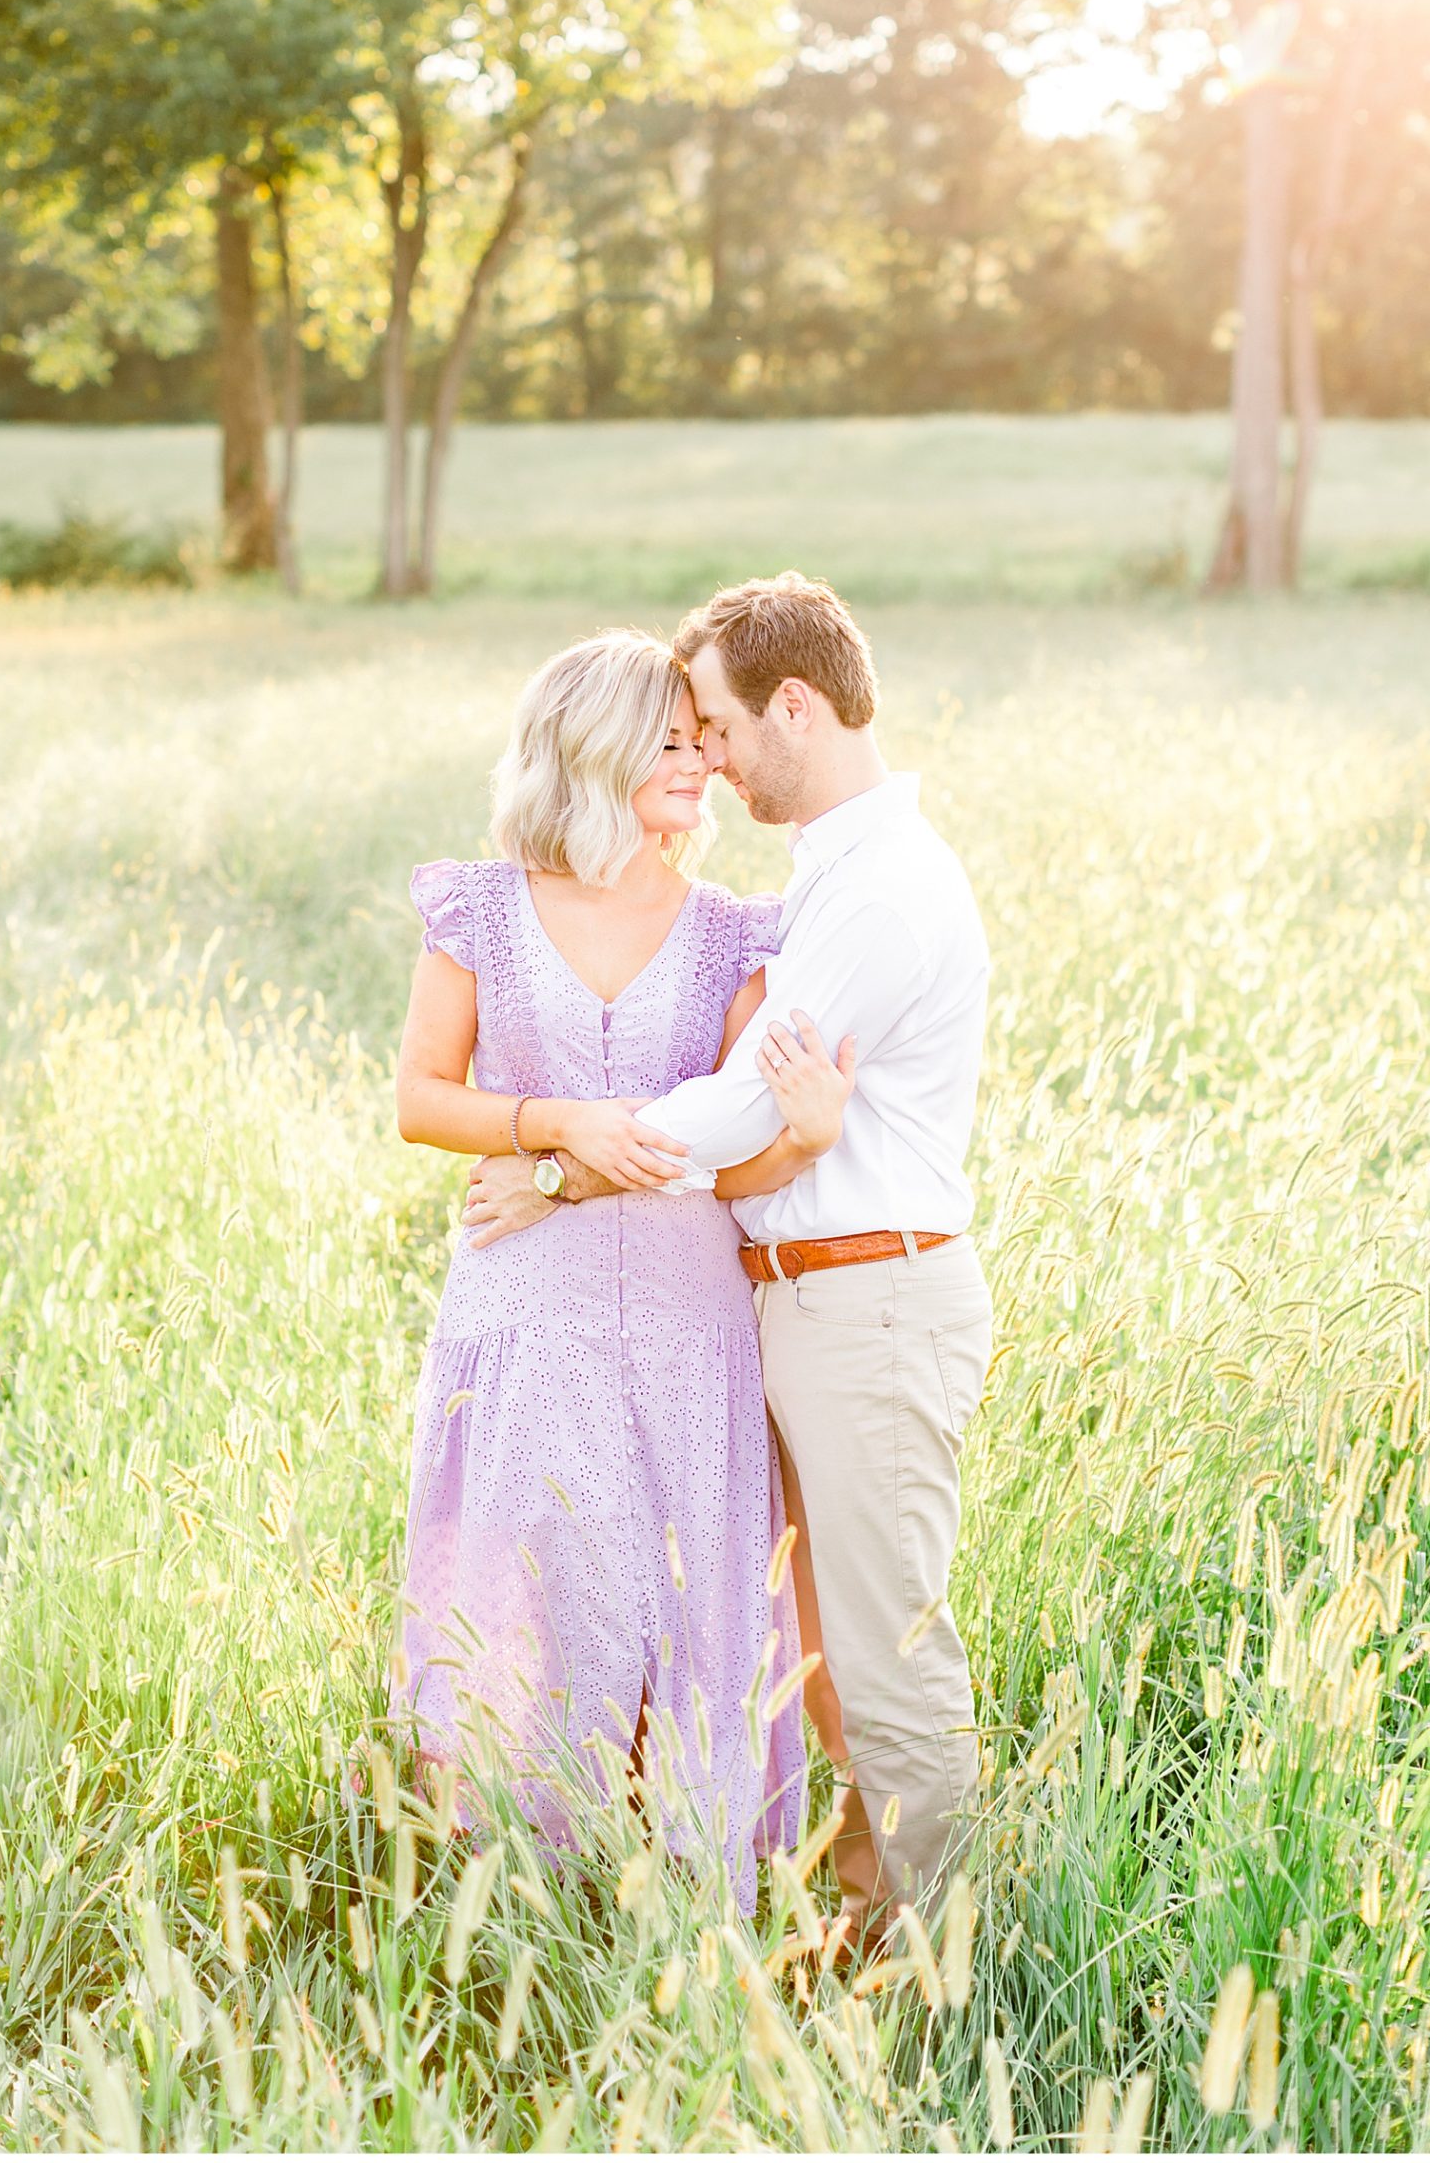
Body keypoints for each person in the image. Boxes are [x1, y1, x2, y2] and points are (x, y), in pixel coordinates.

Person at [465, 573, 993, 1950]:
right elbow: (766, 1120)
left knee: (884, 1658)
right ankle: (865, 1924)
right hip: (811, 1296)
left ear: (796, 707)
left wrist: (563, 1164)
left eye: (714, 722)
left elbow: (751, 1108)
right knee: (824, 1649)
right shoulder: (833, 874)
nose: (702, 750)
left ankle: (948, 1965)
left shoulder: (882, 888)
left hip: (870, 1295)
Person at [390, 626, 857, 1915]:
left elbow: (745, 1158)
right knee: (523, 1583)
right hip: (520, 1313)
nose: (702, 765)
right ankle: (504, 1895)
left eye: (704, 743)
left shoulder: (729, 936)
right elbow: (422, 1098)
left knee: (681, 1592)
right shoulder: (482, 908)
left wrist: (802, 1135)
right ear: (591, 750)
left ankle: (678, 1893)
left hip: (684, 1317)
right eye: (673, 742)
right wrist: (550, 1126)